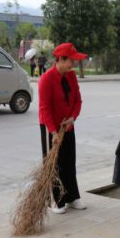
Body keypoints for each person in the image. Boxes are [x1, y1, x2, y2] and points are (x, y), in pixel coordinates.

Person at [38, 43, 87, 214]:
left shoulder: (71, 77)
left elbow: (77, 101)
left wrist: (73, 118)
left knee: (69, 162)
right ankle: (57, 201)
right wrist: (53, 132)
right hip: (50, 127)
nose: (72, 65)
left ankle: (72, 197)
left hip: (68, 126)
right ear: (60, 59)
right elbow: (44, 108)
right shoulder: (46, 79)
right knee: (54, 165)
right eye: (70, 61)